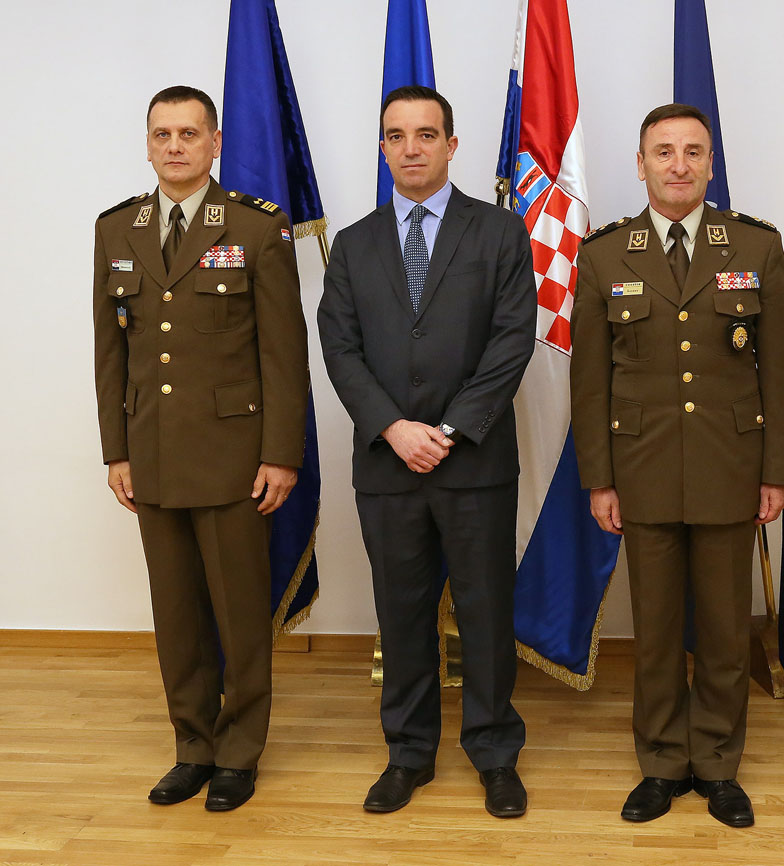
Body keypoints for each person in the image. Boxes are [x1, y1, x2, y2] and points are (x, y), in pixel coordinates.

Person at [570, 103, 784, 828]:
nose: (679, 165)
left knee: (728, 629)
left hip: (731, 466)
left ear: (710, 163)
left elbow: (781, 373)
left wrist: (776, 471)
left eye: (693, 152)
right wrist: (599, 479)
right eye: (663, 152)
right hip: (641, 469)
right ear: (640, 165)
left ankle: (720, 764)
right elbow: (590, 381)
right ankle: (663, 763)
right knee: (658, 630)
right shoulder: (605, 254)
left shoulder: (756, 246)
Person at [318, 85, 536, 818]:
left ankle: (495, 753)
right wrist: (393, 427)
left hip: (473, 462)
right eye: (397, 135)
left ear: (451, 144)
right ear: (383, 148)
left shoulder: (499, 232)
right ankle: (408, 753)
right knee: (401, 614)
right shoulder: (354, 245)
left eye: (426, 134)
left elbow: (512, 340)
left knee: (485, 612)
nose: (411, 147)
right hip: (388, 465)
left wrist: (450, 429)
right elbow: (340, 348)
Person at [92, 86, 309, 811]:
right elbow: (110, 352)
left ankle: (239, 752)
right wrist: (116, 451)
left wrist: (281, 454)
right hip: (152, 452)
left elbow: (284, 353)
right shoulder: (116, 229)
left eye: (190, 133)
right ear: (148, 144)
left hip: (234, 458)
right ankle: (193, 747)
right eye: (163, 134)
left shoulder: (255, 227)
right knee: (177, 616)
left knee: (240, 616)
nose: (175, 146)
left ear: (215, 144)